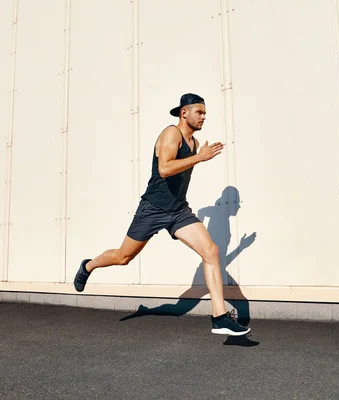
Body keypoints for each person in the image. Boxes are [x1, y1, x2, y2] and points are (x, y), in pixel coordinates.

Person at [73, 93, 250, 336]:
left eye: (205, 113)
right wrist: (199, 158)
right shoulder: (170, 134)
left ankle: (219, 317)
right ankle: (88, 265)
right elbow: (164, 169)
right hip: (153, 209)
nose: (203, 117)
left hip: (178, 211)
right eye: (199, 112)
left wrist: (238, 246)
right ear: (183, 112)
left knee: (211, 251)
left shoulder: (195, 144)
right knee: (123, 257)